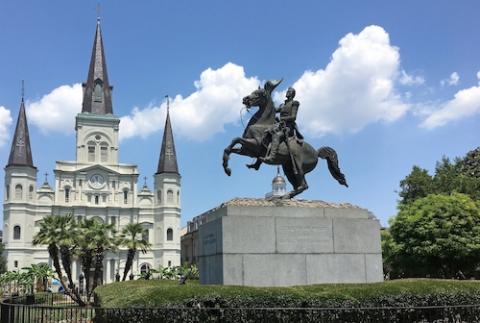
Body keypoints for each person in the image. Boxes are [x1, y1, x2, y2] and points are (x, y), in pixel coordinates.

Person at [261, 87, 303, 163]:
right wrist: (266, 100)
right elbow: (273, 110)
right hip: (280, 125)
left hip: (288, 127)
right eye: (287, 91)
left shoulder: (294, 103)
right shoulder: (283, 105)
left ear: (292, 94)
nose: (287, 92)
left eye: (289, 91)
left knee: (277, 135)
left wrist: (282, 119)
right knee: (266, 131)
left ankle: (271, 157)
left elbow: (293, 117)